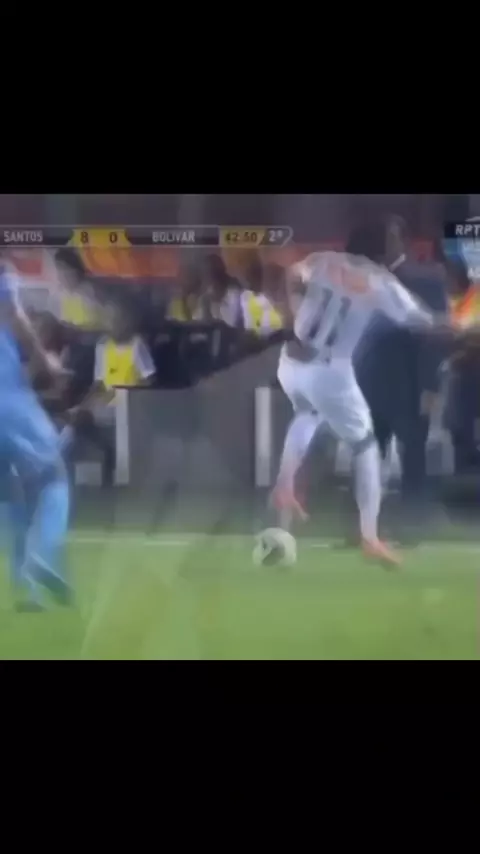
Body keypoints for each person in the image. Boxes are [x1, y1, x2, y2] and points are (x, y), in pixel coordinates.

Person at [270, 248, 436, 567]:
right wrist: (455, 322)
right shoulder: (383, 283)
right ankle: (370, 536)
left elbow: (292, 275)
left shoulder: (324, 261)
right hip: (329, 370)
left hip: (291, 362)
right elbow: (421, 320)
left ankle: (285, 484)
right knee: (365, 446)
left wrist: (292, 314)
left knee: (306, 414)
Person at [352, 217, 449, 539]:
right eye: (382, 235)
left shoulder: (426, 280)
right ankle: (365, 528)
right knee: (366, 457)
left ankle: (412, 526)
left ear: (403, 240)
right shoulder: (365, 280)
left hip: (409, 385)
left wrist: (430, 386)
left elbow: (434, 337)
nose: (386, 241)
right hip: (368, 385)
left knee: (413, 459)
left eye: (391, 235)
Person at [0, 258, 71, 610]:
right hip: (7, 397)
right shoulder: (2, 271)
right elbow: (14, 314)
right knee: (53, 477)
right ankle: (40, 554)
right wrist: (46, 361)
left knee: (8, 492)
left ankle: (27, 591)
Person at [65, 296, 155, 486]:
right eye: (110, 320)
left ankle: (114, 462)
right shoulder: (103, 346)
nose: (112, 324)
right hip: (106, 402)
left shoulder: (137, 345)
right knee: (76, 418)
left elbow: (149, 379)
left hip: (131, 405)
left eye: (117, 320)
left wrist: (129, 394)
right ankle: (96, 455)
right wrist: (83, 405)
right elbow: (99, 383)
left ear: (128, 322)